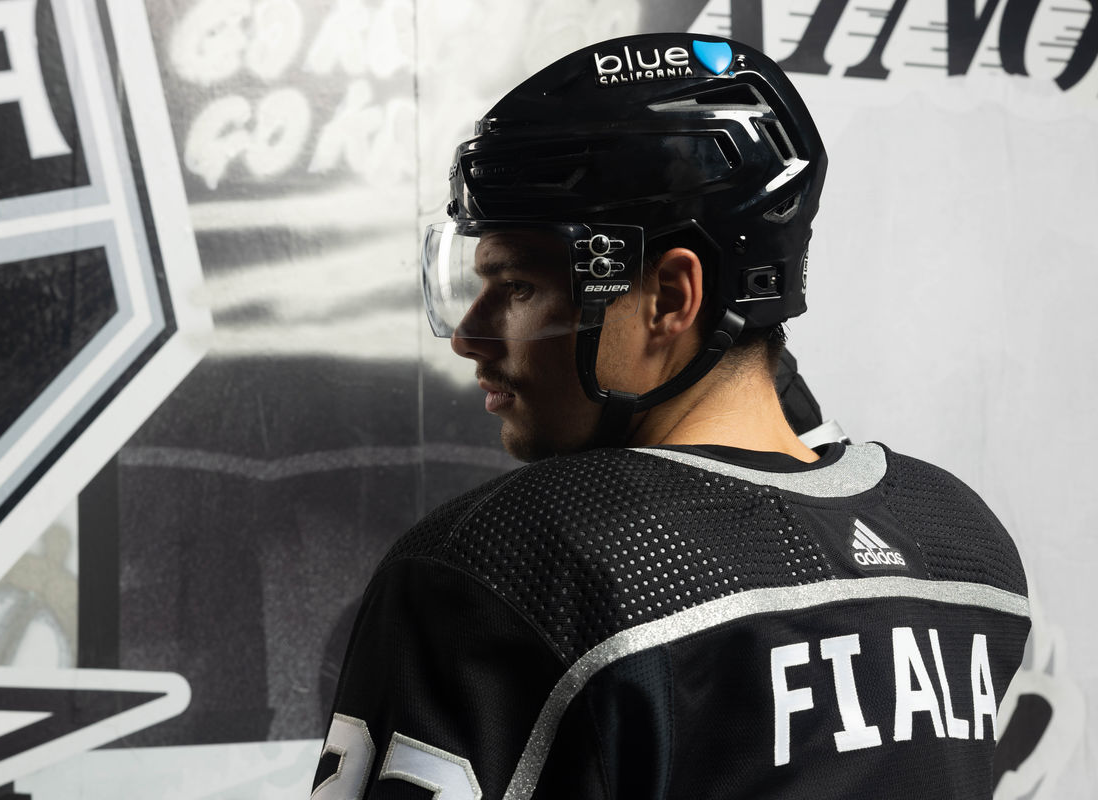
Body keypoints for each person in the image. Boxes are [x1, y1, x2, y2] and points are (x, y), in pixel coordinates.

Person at [311, 33, 1029, 799]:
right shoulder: (964, 550)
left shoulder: (510, 564)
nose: (468, 335)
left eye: (517, 286)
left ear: (670, 298)